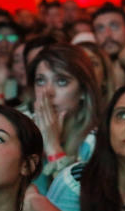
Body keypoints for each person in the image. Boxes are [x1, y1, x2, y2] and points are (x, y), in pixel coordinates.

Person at [26, 43, 102, 192]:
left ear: (83, 91)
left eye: (61, 81)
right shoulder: (23, 132)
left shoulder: (96, 142)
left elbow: (77, 207)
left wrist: (53, 146)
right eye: (40, 81)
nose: (48, 93)